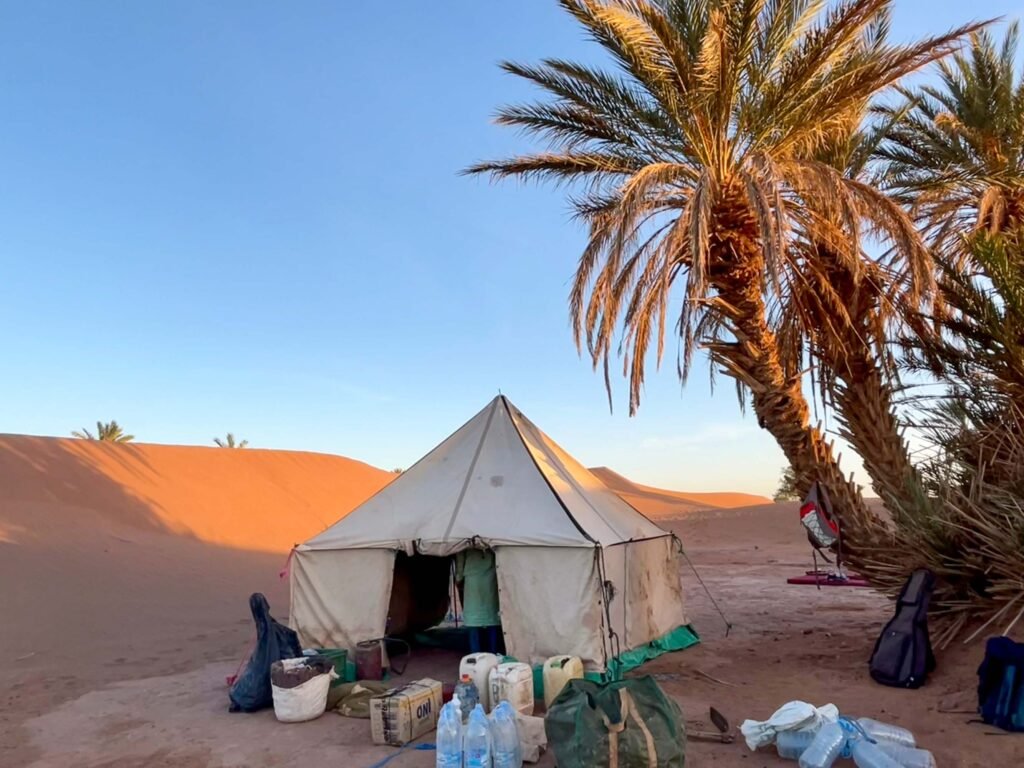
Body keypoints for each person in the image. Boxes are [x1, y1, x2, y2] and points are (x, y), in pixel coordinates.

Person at [455, 548, 500, 654]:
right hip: (490, 578)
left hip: (472, 578)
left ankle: (475, 656)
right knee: (492, 616)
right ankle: (494, 655)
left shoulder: (466, 536)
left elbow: (460, 558)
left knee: (473, 619)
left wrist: (458, 578)